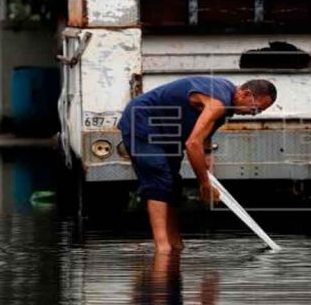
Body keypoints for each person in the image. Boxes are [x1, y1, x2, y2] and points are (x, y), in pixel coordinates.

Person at [118, 76, 277, 253]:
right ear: (245, 93)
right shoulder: (218, 102)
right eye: (254, 110)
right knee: (159, 178)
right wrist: (204, 184)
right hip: (141, 120)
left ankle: (175, 243)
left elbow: (204, 136)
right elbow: (193, 144)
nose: (252, 114)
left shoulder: (228, 102)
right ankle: (162, 247)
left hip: (167, 130)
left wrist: (207, 159)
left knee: (173, 184)